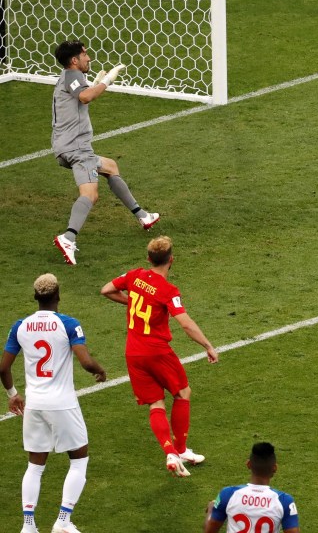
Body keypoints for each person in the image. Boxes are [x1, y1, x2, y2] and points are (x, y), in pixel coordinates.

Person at [100, 235, 218, 477]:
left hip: (133, 352)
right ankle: (181, 449)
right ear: (171, 260)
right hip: (156, 351)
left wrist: (131, 301)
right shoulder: (167, 290)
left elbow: (106, 290)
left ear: (148, 259)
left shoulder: (134, 275)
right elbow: (185, 323)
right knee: (182, 392)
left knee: (156, 403)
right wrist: (207, 345)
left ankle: (170, 453)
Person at [1, 274, 107, 533]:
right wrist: (100, 370)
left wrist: (13, 394)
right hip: (62, 403)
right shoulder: (69, 324)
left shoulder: (20, 326)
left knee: (35, 465)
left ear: (36, 297)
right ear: (58, 295)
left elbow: (3, 367)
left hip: (34, 405)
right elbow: (85, 362)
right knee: (79, 460)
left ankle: (28, 526)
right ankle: (62, 520)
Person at [51, 40, 159, 266]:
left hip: (66, 145)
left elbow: (80, 97)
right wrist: (108, 81)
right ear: (74, 60)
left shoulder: (69, 77)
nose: (88, 58)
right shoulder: (73, 76)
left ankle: (142, 216)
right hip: (77, 149)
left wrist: (94, 83)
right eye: (84, 54)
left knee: (110, 166)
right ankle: (68, 237)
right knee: (90, 195)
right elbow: (85, 97)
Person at [204, 442, 300, 533]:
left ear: (248, 464)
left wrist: (212, 508)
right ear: (275, 468)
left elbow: (209, 531)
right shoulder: (284, 501)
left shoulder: (227, 494)